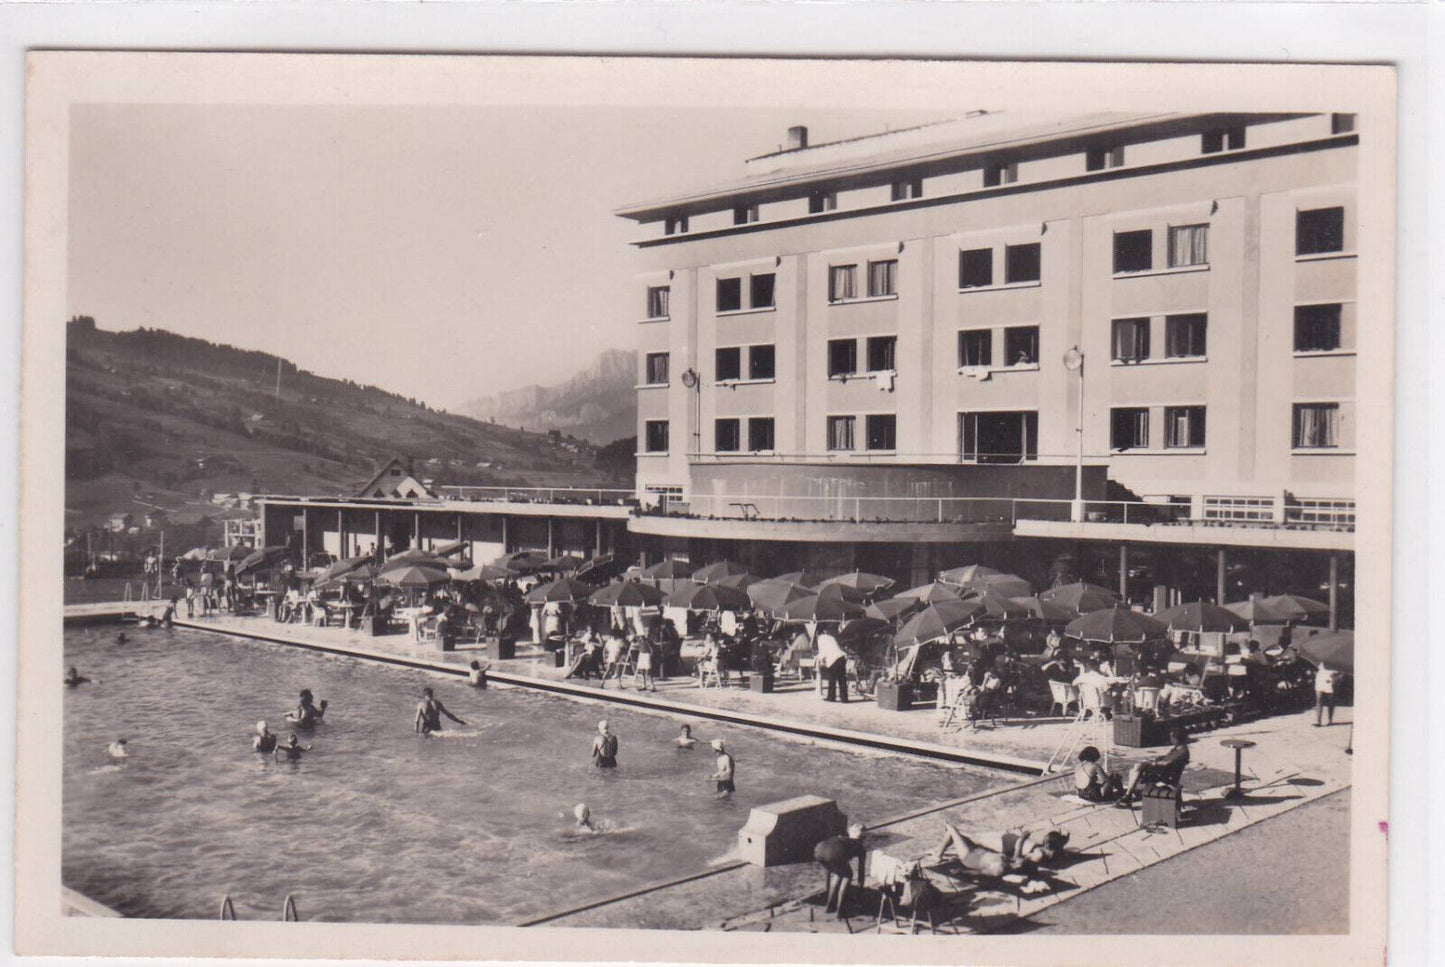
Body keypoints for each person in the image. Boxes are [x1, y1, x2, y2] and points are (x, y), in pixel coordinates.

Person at [1119, 727, 1191, 804]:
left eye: (1171, 737)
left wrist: (1151, 764)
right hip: (1165, 772)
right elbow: (1168, 761)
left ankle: (1128, 795)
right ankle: (1129, 793)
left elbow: (1167, 763)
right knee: (1135, 769)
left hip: (1165, 775)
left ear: (1175, 738)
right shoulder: (1180, 748)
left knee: (1138, 767)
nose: (1170, 740)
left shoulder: (1181, 752)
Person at [813, 823, 866, 918]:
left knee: (838, 873)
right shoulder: (860, 847)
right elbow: (861, 869)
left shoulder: (841, 838)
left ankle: (829, 907)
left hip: (819, 850)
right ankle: (840, 910)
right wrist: (860, 884)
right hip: (835, 852)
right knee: (848, 875)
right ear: (862, 837)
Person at [817, 626, 849, 703]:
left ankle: (831, 697)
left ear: (817, 634)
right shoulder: (831, 637)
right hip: (841, 657)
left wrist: (818, 658)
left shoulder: (820, 639)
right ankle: (844, 699)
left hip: (833, 660)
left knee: (832, 679)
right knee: (842, 680)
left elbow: (823, 652)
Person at [1314, 661, 1339, 726]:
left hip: (1329, 678)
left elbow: (1339, 671)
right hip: (1320, 678)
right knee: (1319, 699)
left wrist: (1334, 677)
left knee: (1330, 701)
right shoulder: (1319, 658)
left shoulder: (1334, 658)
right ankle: (1318, 721)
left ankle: (1330, 720)